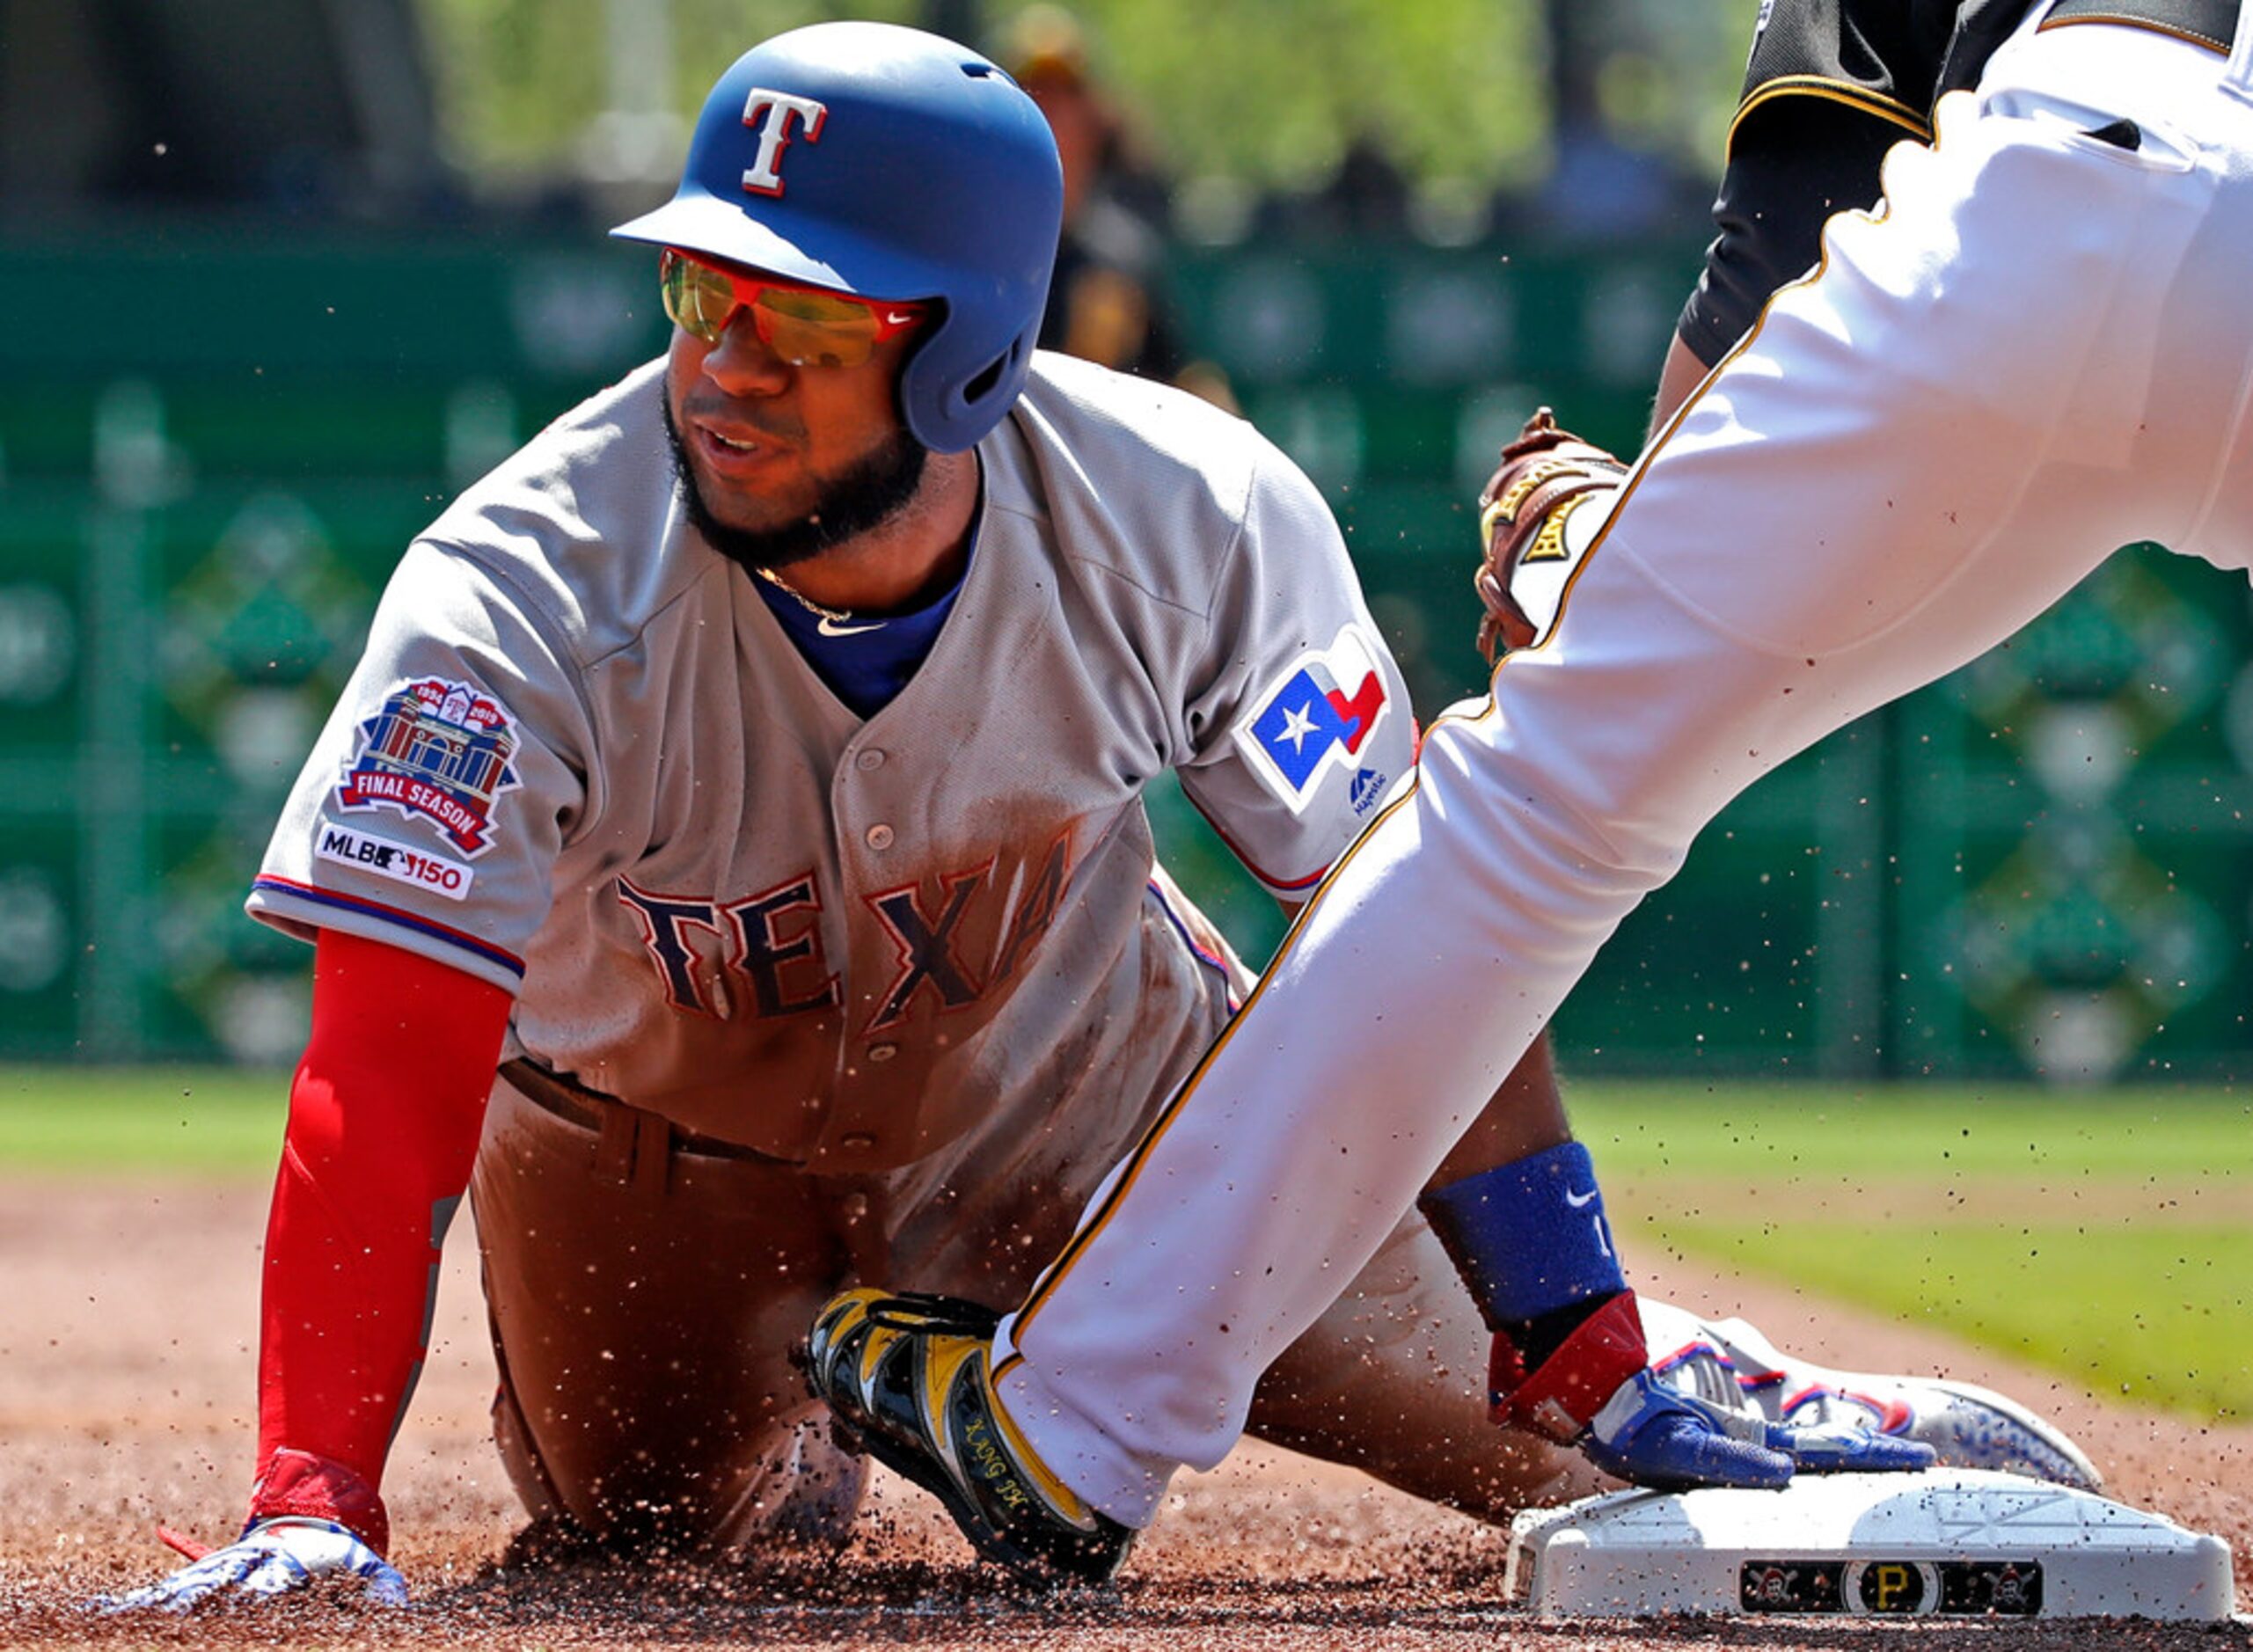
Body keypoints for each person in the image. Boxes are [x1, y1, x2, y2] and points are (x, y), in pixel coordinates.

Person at [94, 18, 1930, 1612]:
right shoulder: (520, 586)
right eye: (695, 292)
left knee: (1587, 1469)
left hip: (1097, 1124)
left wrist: (1571, 1319)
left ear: (967, 349)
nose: (721, 364)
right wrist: (310, 1502)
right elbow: (382, 1072)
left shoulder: (1188, 513)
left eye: (796, 318)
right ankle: (809, 1436)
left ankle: (1855, 1430)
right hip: (652, 1163)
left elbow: (1421, 917)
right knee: (647, 1536)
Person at [806, 0, 2231, 1584]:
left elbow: (1770, 279)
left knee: (1530, 808)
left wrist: (1580, 546)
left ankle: (1074, 1418)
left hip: (2068, 171)